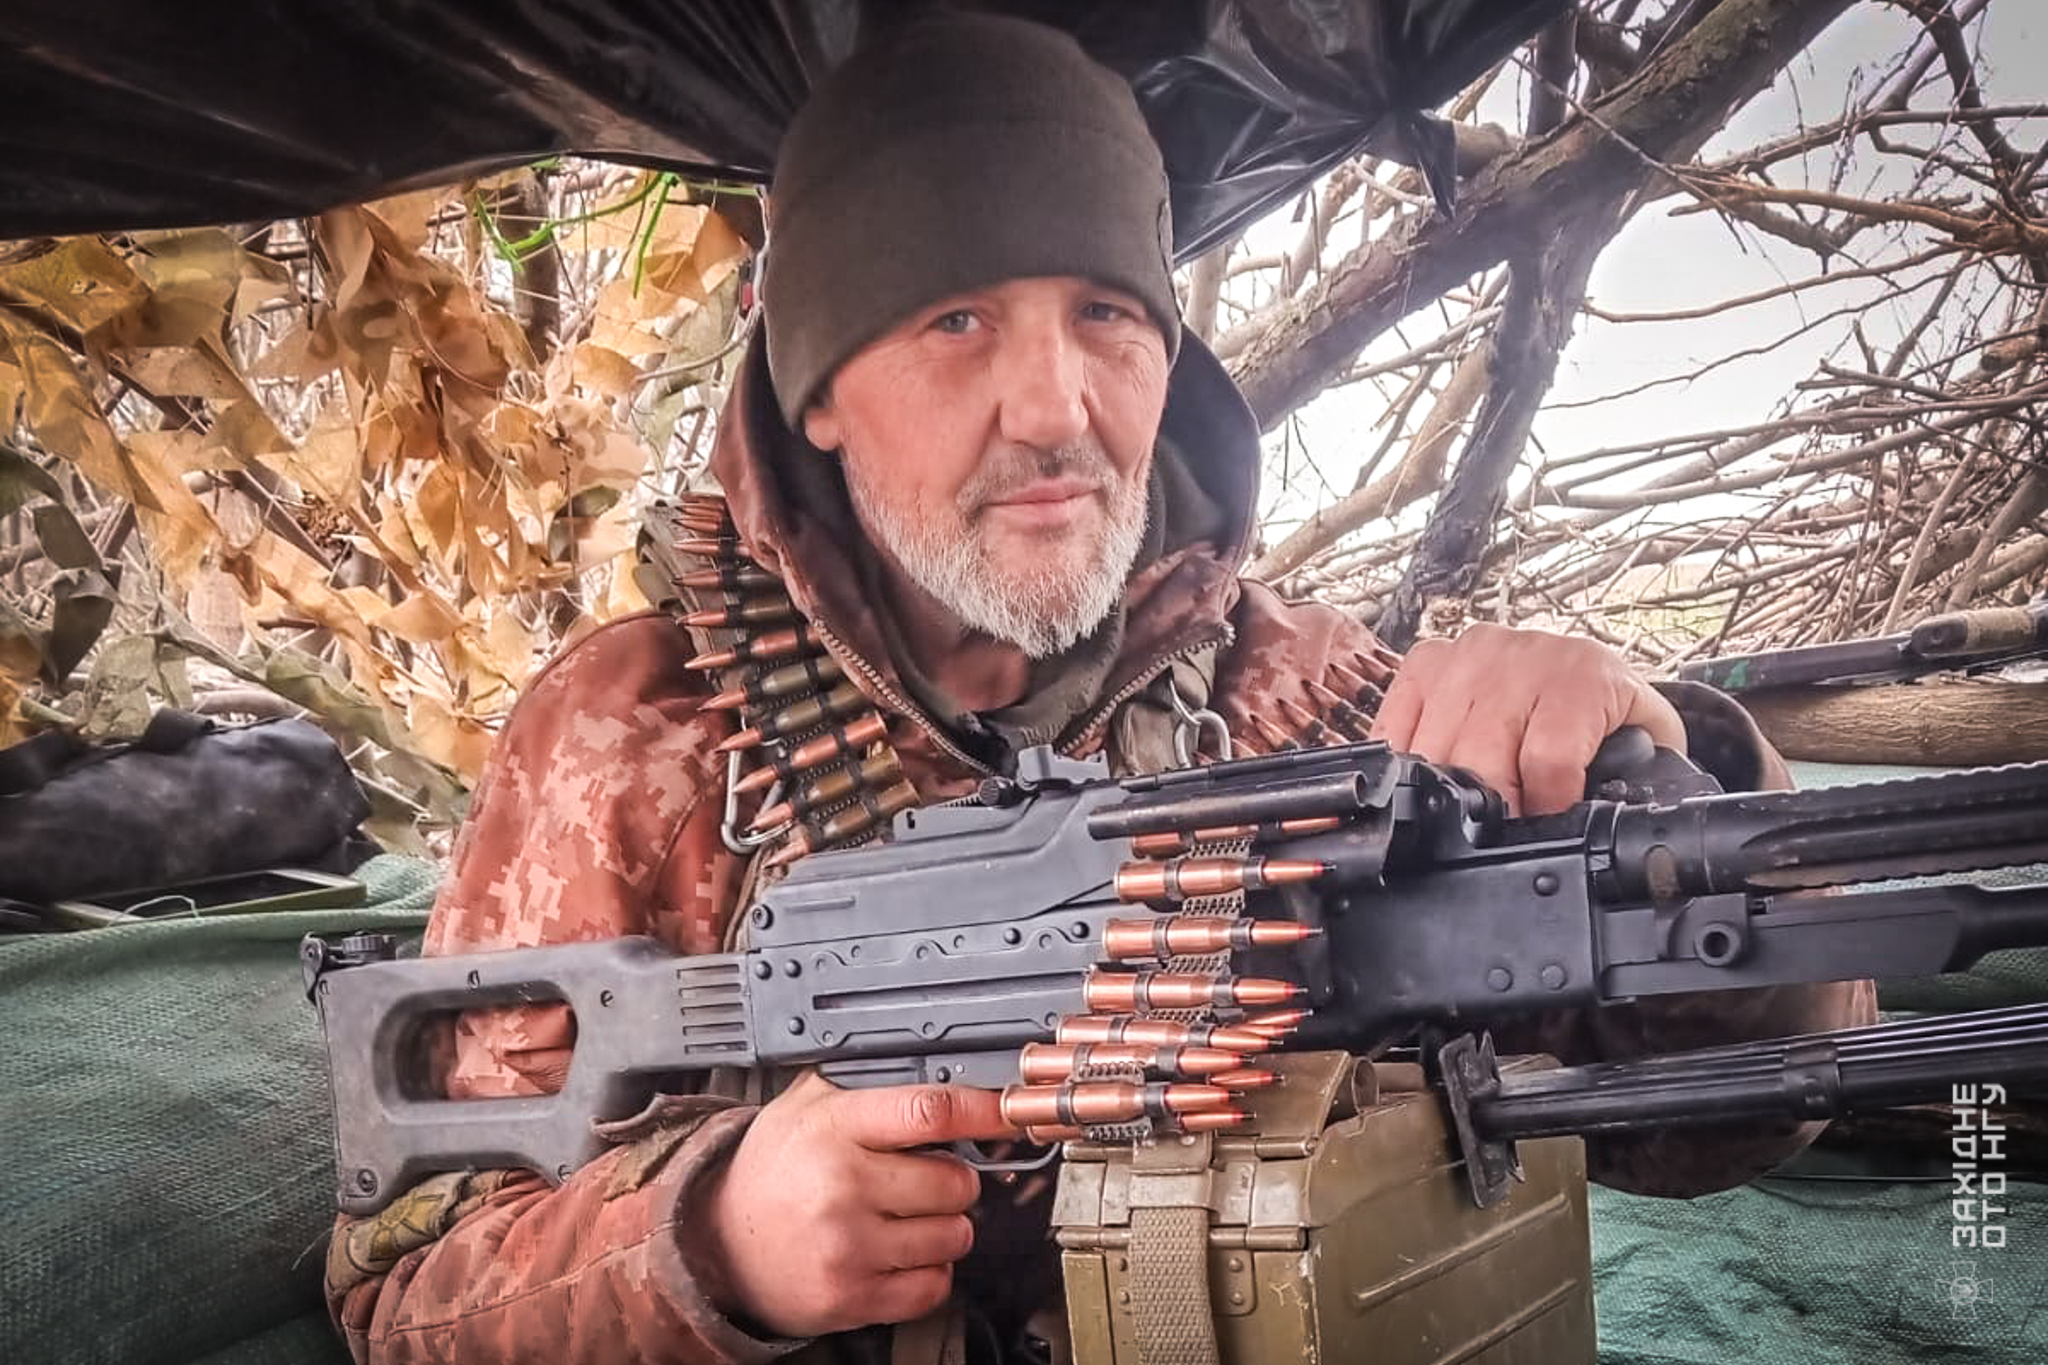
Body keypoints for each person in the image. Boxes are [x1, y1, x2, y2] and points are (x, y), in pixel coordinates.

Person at [322, 13, 1873, 1365]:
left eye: (1107, 315)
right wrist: (710, 1240)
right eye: (956, 320)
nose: (1055, 405)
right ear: (821, 395)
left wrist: (1665, 762)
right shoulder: (631, 740)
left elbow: (1723, 1115)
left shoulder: (1317, 701)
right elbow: (410, 1296)